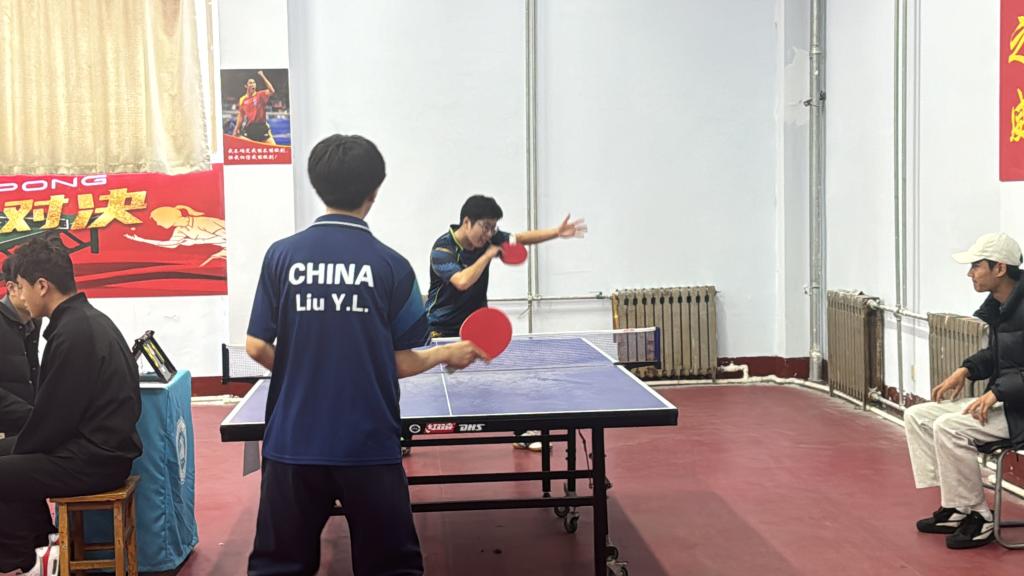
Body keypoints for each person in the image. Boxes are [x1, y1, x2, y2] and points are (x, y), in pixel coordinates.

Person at [245, 134, 484, 576]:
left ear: (317, 185)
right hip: (369, 445)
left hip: (292, 443)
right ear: (374, 191)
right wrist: (446, 354)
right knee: (390, 568)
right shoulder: (391, 266)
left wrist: (304, 371)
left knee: (277, 568)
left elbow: (256, 346)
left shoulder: (281, 256)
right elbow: (400, 359)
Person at [0, 238, 142, 573]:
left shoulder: (73, 333)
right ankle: (39, 542)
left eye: (21, 286)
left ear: (42, 286)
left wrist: (17, 450)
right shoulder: (86, 320)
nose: (20, 296)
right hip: (98, 449)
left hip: (95, 460)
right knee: (13, 457)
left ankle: (19, 562)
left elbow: (52, 423)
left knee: (8, 467)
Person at [426, 194, 587, 450]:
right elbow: (462, 282)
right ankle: (401, 435)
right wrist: (488, 255)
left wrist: (556, 232)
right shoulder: (443, 249)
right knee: (421, 383)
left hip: (477, 327)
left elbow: (520, 238)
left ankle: (521, 432)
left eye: (494, 227)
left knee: (500, 379)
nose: (490, 233)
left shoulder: (490, 238)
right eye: (485, 226)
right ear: (467, 222)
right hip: (440, 329)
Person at [904, 232, 1024, 549]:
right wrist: (966, 369)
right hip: (1009, 402)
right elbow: (999, 356)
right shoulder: (1001, 307)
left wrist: (997, 393)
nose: (970, 274)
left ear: (1000, 268)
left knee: (949, 426)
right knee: (918, 416)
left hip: (1018, 411)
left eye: (976, 266)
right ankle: (958, 505)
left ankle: (979, 517)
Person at [0, 256, 40, 436]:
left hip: (29, 428)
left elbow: (32, 371)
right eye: (34, 285)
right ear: (11, 288)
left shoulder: (35, 321)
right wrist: (32, 416)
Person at [124, 204, 227, 266]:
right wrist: (142, 240)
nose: (158, 224)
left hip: (233, 246)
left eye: (157, 221)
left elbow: (227, 237)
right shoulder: (180, 230)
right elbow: (171, 245)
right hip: (226, 249)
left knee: (212, 262)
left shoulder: (202, 222)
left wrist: (196, 242)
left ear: (166, 218)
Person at [232, 70, 276, 144]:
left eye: (254, 83)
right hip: (250, 128)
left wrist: (262, 75)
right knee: (240, 140)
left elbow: (272, 91)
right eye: (250, 83)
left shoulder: (260, 95)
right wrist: (236, 128)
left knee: (273, 148)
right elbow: (241, 116)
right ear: (246, 86)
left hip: (262, 127)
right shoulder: (242, 99)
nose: (253, 84)